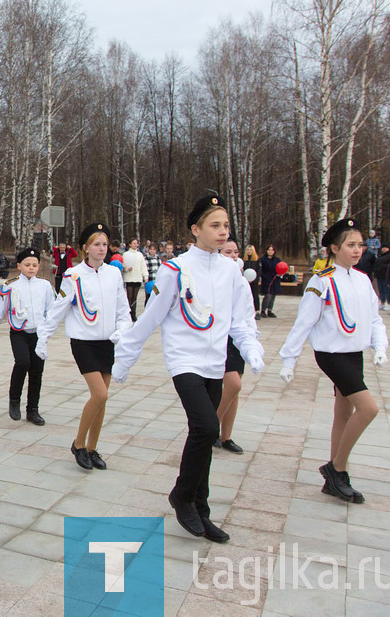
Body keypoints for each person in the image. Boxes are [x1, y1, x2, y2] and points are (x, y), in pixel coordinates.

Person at [113, 196, 264, 543]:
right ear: (195, 230)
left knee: (205, 435)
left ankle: (201, 507)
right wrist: (124, 359)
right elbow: (151, 318)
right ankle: (182, 496)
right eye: (215, 225)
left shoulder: (231, 271)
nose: (223, 231)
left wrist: (251, 348)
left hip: (216, 362)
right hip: (185, 360)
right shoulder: (176, 270)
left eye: (226, 225)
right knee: (207, 427)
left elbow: (241, 320)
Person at [279, 218, 387, 504]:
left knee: (344, 412)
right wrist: (288, 360)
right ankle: (336, 468)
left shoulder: (362, 279)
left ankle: (334, 479)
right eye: (351, 245)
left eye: (360, 245)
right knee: (369, 409)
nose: (357, 250)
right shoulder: (322, 280)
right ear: (334, 248)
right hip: (332, 354)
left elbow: (374, 318)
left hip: (354, 353)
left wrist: (380, 346)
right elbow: (304, 323)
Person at [37, 223, 131, 471]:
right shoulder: (73, 275)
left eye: (105, 244)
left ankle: (92, 448)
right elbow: (58, 309)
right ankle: (79, 444)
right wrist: (42, 337)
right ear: (85, 248)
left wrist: (123, 329)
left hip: (106, 343)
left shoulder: (114, 274)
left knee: (102, 400)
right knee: (100, 394)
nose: (102, 249)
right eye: (96, 244)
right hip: (83, 342)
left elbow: (124, 310)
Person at [0, 247, 55, 425]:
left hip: (38, 333)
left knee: (37, 371)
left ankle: (33, 410)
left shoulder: (44, 286)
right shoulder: (11, 286)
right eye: (27, 265)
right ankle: (14, 401)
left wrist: (46, 336)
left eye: (35, 265)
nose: (31, 268)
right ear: (19, 265)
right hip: (19, 333)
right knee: (23, 363)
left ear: (38, 267)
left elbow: (51, 311)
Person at [214, 239, 257, 454]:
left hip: (238, 338)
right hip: (219, 337)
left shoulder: (240, 281)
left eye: (235, 252)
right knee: (234, 384)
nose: (232, 255)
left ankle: (226, 436)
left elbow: (248, 311)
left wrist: (252, 338)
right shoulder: (215, 279)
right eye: (227, 252)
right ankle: (211, 428)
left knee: (235, 389)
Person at [122, 238, 148, 321]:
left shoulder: (140, 255)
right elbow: (123, 265)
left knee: (135, 298)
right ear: (130, 244)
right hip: (129, 278)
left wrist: (145, 276)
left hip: (137, 278)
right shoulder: (125, 254)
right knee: (129, 297)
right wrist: (126, 269)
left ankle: (134, 313)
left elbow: (143, 266)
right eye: (134, 243)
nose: (136, 245)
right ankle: (128, 314)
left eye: (137, 243)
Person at [259, 245, 282, 318]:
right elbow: (261, 270)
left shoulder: (277, 260)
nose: (270, 251)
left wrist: (280, 274)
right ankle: (263, 310)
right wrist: (263, 276)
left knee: (273, 295)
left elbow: (280, 268)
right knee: (268, 295)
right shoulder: (262, 259)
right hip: (266, 279)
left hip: (275, 279)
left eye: (272, 250)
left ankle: (270, 310)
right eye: (269, 250)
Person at [372, 244, 390, 311]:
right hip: (379, 275)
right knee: (380, 290)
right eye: (383, 248)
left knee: (386, 290)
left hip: (386, 276)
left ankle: (388, 303)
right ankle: (382, 302)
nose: (384, 249)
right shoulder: (380, 255)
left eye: (385, 248)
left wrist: (382, 266)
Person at [243, 245, 262, 320]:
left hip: (254, 281)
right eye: (248, 250)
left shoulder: (257, 260)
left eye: (250, 250)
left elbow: (259, 270)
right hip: (246, 280)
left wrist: (256, 278)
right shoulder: (244, 260)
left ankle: (257, 311)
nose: (249, 251)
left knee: (255, 295)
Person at [144, 243, 161, 309]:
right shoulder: (146, 258)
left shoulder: (158, 258)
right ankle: (146, 310)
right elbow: (145, 268)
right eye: (151, 249)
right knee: (148, 296)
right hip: (149, 281)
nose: (152, 251)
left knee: (156, 295)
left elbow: (160, 268)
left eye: (154, 249)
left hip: (156, 281)